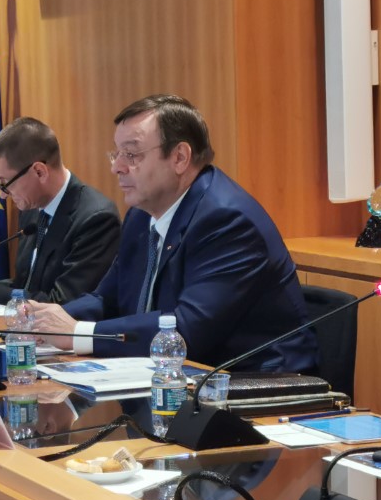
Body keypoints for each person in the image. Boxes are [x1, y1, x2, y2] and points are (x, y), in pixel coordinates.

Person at [29, 94, 317, 371]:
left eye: (131, 154)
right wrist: (44, 321)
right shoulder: (141, 216)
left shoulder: (227, 221)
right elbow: (107, 298)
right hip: (179, 377)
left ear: (179, 157)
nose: (117, 167)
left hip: (254, 383)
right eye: (116, 154)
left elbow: (186, 330)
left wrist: (79, 334)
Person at [0, 117, 119, 305]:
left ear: (39, 171)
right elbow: (24, 287)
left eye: (5, 183)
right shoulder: (32, 209)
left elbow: (63, 302)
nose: (2, 194)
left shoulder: (96, 219)